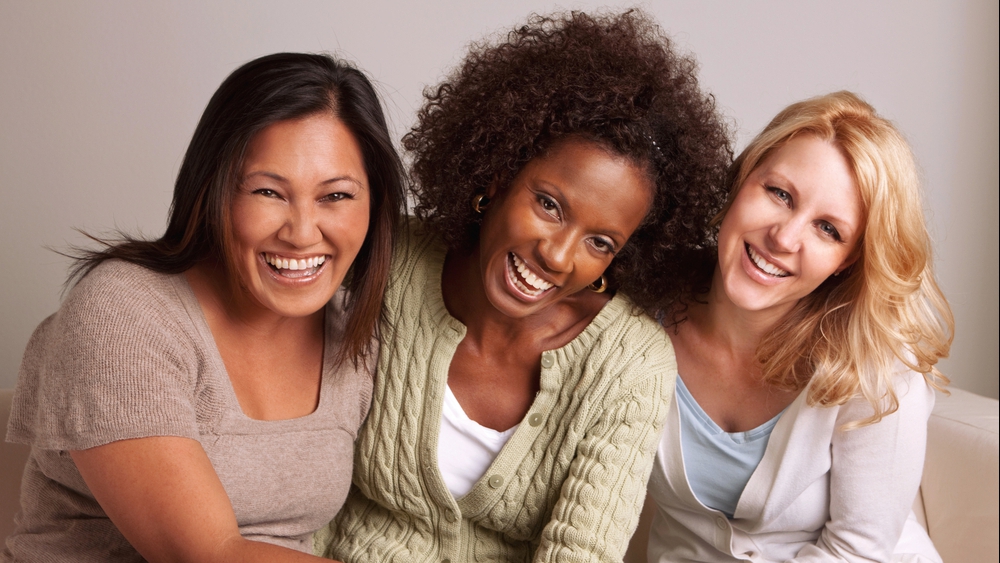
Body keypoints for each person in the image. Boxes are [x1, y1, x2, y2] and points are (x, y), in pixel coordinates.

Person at [317, 11, 732, 563]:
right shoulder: (388, 265)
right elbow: (306, 484)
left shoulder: (630, 365)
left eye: (601, 243)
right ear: (498, 173)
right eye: (549, 205)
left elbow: (581, 552)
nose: (558, 256)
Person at [3, 52, 405, 561]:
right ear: (213, 191)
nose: (303, 233)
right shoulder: (124, 313)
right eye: (268, 191)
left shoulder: (356, 329)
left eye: (337, 196)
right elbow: (210, 553)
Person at [646, 91, 954, 562]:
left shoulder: (878, 368)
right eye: (780, 194)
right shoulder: (642, 316)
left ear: (847, 260)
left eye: (828, 229)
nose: (784, 238)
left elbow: (858, 551)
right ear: (742, 178)